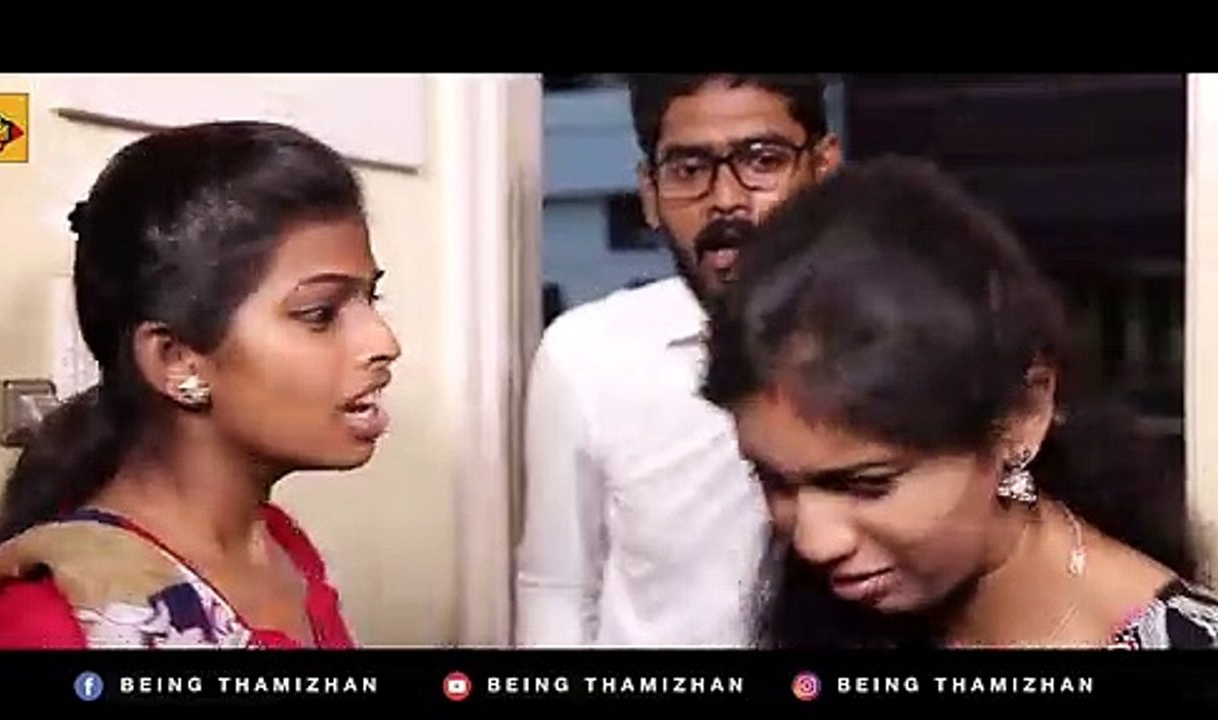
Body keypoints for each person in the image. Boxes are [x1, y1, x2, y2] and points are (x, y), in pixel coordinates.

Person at [701, 154, 1218, 649]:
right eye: (773, 481)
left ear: (1021, 416)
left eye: (868, 485)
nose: (813, 542)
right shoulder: (828, 609)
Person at [0, 120, 401, 649]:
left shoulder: (281, 546)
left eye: (371, 299)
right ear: (177, 360)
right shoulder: (43, 627)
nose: (383, 341)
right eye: (320, 313)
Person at [514, 74, 842, 646]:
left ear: (823, 169)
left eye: (762, 161)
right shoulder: (588, 355)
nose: (726, 199)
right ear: (649, 192)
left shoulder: (892, 342)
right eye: (689, 169)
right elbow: (557, 588)